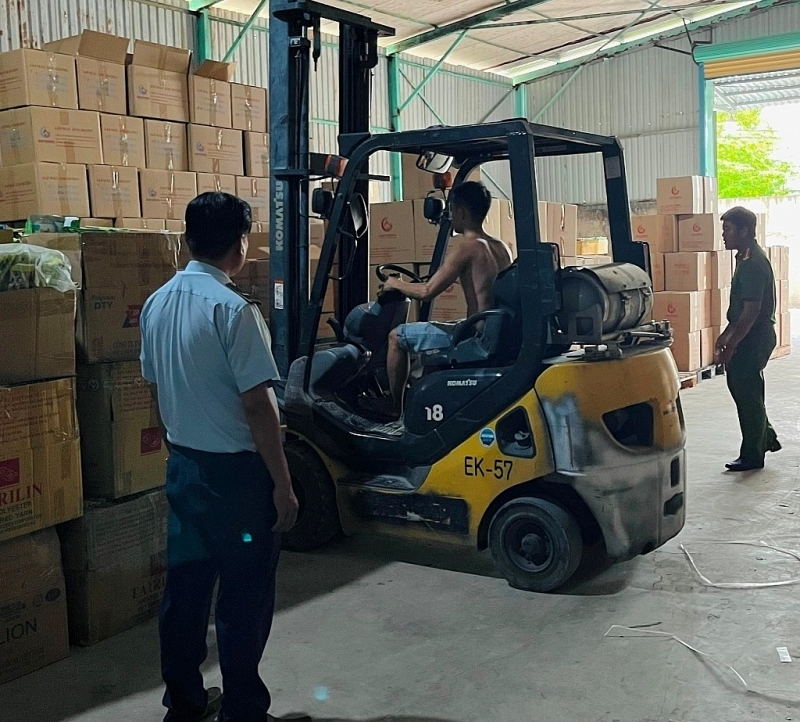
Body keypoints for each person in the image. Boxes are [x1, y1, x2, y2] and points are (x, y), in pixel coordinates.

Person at [140, 192, 301, 722]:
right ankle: (244, 713)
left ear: (187, 240)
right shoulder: (234, 310)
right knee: (243, 598)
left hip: (185, 469)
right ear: (241, 244)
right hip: (237, 481)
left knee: (184, 593)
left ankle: (183, 704)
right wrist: (282, 483)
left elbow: (155, 388)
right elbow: (258, 406)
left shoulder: (156, 303)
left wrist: (178, 442)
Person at [380, 181, 513, 418]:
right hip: (493, 329)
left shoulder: (465, 248)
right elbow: (481, 283)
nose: (450, 217)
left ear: (461, 211)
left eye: (452, 211)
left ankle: (395, 410)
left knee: (396, 336)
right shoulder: (500, 247)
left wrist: (394, 283)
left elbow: (426, 292)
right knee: (431, 352)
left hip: (475, 334)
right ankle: (422, 401)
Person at [714, 206, 781, 472]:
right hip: (749, 334)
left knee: (746, 393)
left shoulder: (753, 263)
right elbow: (740, 310)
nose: (723, 235)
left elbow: (751, 312)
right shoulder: (744, 258)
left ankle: (753, 455)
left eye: (727, 229)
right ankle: (765, 437)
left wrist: (732, 344)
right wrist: (725, 334)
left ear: (744, 231)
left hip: (755, 337)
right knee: (747, 391)